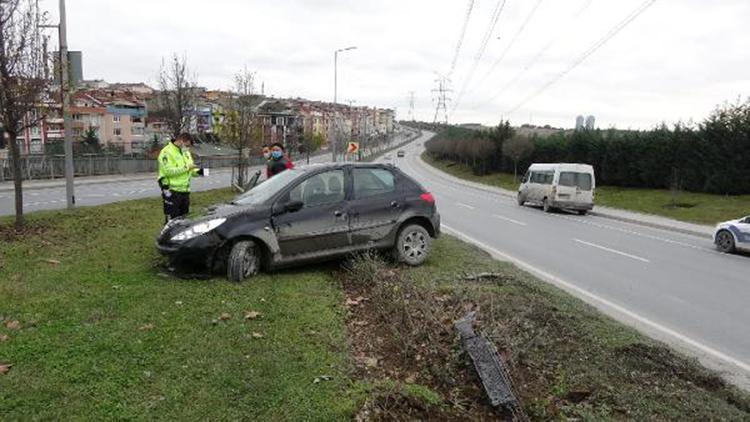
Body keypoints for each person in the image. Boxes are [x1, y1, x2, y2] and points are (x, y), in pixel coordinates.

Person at [157, 133, 204, 222]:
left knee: (184, 221)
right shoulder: (166, 152)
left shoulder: (185, 152)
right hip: (171, 192)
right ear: (181, 141)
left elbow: (190, 171)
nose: (188, 148)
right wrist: (187, 167)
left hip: (185, 192)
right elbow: (168, 172)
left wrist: (202, 172)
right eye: (187, 145)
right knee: (172, 222)